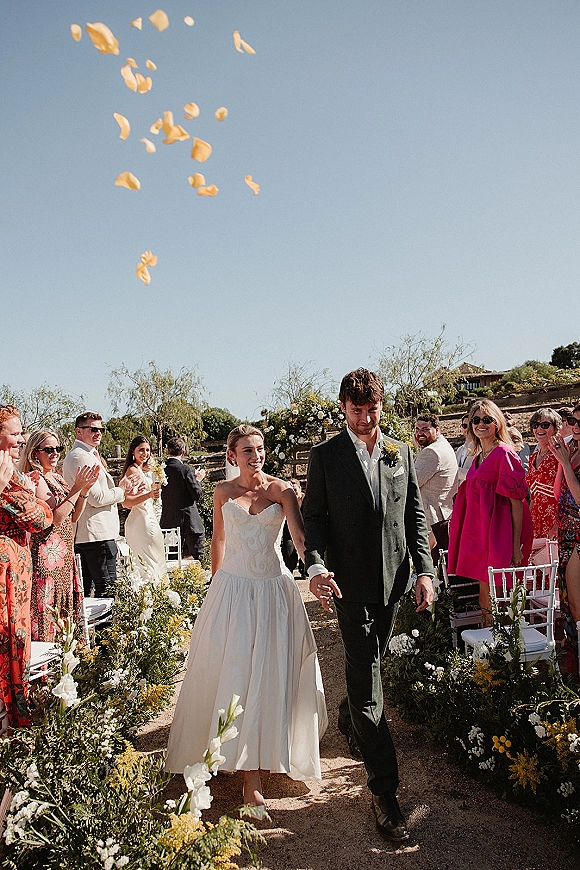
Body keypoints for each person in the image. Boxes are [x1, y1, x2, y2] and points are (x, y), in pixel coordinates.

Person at [302, 369, 434, 843]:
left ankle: (348, 712)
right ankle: (385, 791)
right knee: (368, 675)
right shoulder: (325, 457)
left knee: (368, 666)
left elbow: (414, 512)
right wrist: (315, 567)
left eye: (372, 408)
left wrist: (424, 571)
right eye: (356, 409)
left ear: (381, 405)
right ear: (343, 407)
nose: (365, 417)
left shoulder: (400, 451)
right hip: (348, 586)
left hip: (395, 583)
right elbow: (313, 519)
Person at [166, 425, 327, 806]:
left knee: (270, 673)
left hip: (273, 591)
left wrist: (316, 571)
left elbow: (300, 538)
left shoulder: (283, 491)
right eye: (247, 450)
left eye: (259, 449)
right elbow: (218, 539)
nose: (255, 455)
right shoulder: (222, 492)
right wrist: (216, 586)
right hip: (233, 591)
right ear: (232, 455)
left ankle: (263, 761)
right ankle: (243, 770)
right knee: (235, 671)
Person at [448, 399, 533, 622]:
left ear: (497, 423)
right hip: (481, 536)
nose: (480, 424)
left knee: (499, 597)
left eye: (487, 419)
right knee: (484, 596)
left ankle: (501, 649)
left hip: (498, 536)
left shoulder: (504, 453)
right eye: (475, 420)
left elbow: (517, 502)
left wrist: (515, 546)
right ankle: (487, 647)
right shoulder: (478, 457)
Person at [19, 431, 99, 641]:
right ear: (34, 453)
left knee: (65, 610)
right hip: (47, 556)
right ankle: (48, 669)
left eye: (57, 449)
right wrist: (76, 488)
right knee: (47, 610)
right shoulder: (34, 479)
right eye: (48, 449)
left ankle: (67, 660)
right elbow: (56, 517)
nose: (54, 453)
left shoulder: (56, 477)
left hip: (64, 553)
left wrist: (83, 491)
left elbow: (73, 517)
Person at [0, 407, 52, 728]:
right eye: (15, 433)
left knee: (17, 634)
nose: (21, 439)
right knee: (7, 635)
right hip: (5, 567)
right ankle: (10, 716)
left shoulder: (12, 472)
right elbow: (38, 517)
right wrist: (39, 501)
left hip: (19, 563)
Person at [63, 413, 135, 597]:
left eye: (101, 429)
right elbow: (96, 498)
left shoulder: (87, 454)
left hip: (94, 534)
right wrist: (121, 490)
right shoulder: (80, 456)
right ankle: (108, 627)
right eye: (93, 429)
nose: (99, 433)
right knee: (107, 590)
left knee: (94, 590)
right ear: (79, 431)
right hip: (95, 535)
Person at [548, 404, 580, 661]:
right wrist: (562, 462)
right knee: (569, 601)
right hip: (567, 532)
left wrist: (566, 464)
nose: (576, 426)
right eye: (573, 420)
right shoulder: (575, 450)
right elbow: (559, 493)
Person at [119, 436, 166, 580]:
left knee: (153, 559)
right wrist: (149, 495)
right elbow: (125, 503)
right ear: (133, 451)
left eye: (147, 450)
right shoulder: (132, 471)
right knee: (148, 563)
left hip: (148, 516)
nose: (145, 453)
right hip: (141, 521)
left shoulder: (139, 469)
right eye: (141, 450)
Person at [413, 414, 458, 558]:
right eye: (417, 429)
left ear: (437, 430)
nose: (420, 433)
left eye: (425, 429)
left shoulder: (431, 452)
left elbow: (412, 482)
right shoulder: (442, 445)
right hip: (443, 514)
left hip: (432, 517)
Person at [160, 437, 206, 561]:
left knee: (171, 559)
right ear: (183, 452)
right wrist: (198, 480)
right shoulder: (186, 470)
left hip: (169, 520)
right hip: (189, 520)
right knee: (199, 556)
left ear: (167, 451)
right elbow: (196, 494)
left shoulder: (160, 470)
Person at [525, 408, 561, 542]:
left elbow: (566, 493)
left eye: (545, 425)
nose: (539, 428)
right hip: (536, 519)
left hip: (555, 520)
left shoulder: (560, 454)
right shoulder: (533, 456)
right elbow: (533, 495)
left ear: (555, 428)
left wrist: (557, 525)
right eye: (535, 425)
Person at [455, 414, 475, 486]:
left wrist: (453, 471)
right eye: (464, 426)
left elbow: (477, 474)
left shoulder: (481, 449)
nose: (467, 429)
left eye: (470, 426)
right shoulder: (460, 450)